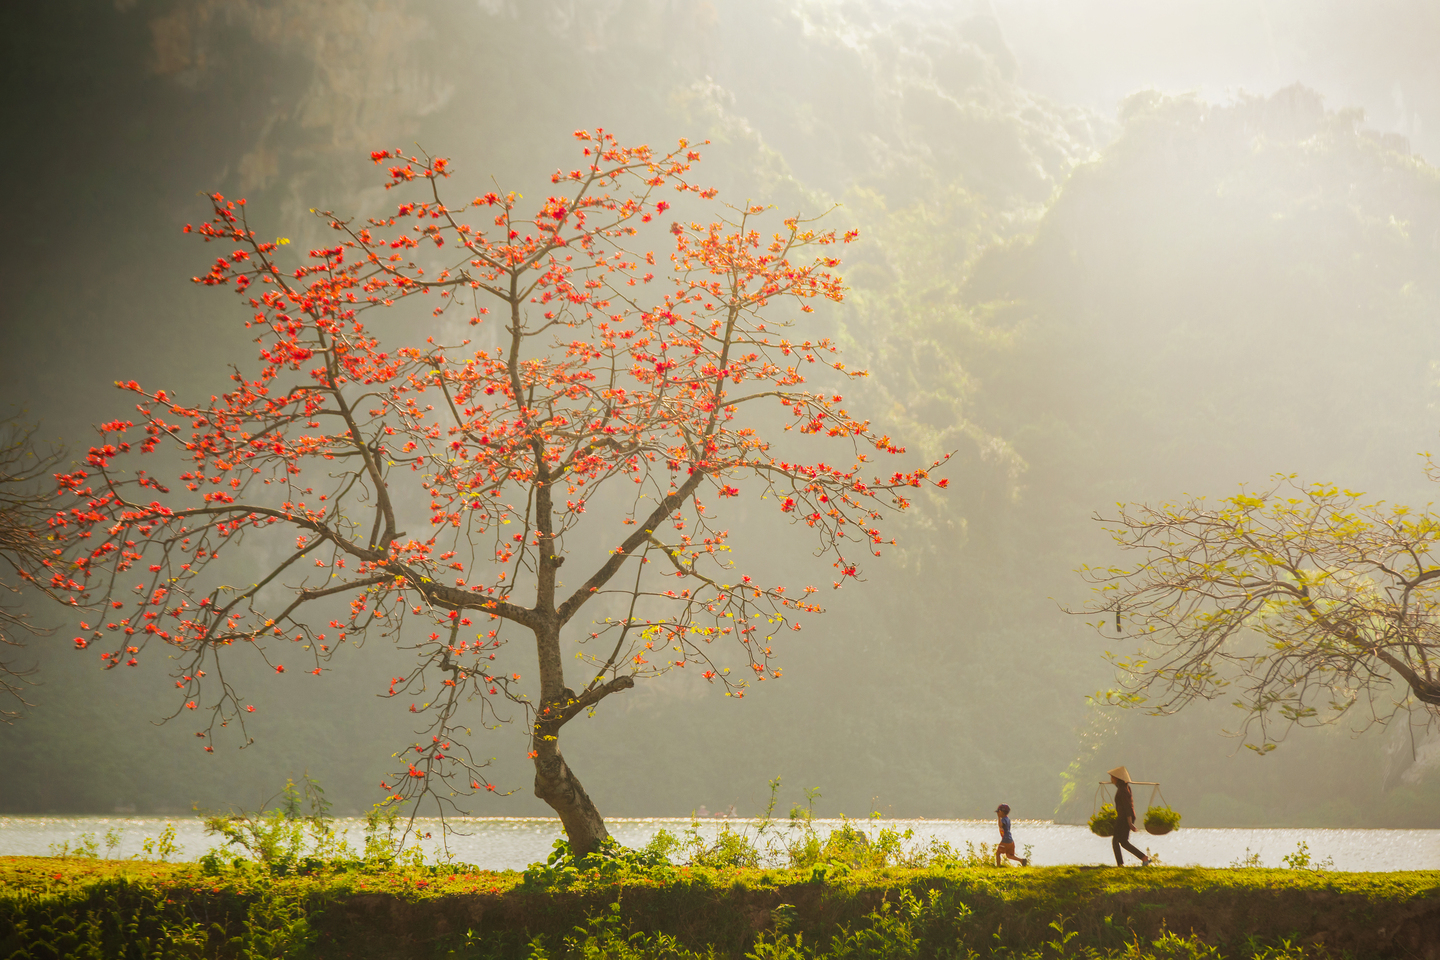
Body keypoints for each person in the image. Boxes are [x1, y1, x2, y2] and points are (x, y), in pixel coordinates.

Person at [1108, 766, 1152, 866]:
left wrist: (1129, 822)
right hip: (1125, 817)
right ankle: (1144, 858)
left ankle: (1120, 864)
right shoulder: (1124, 787)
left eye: (1112, 777)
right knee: (1123, 842)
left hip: (1125, 817)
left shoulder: (1123, 790)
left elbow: (1127, 807)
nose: (1111, 780)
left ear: (1117, 778)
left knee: (1116, 840)